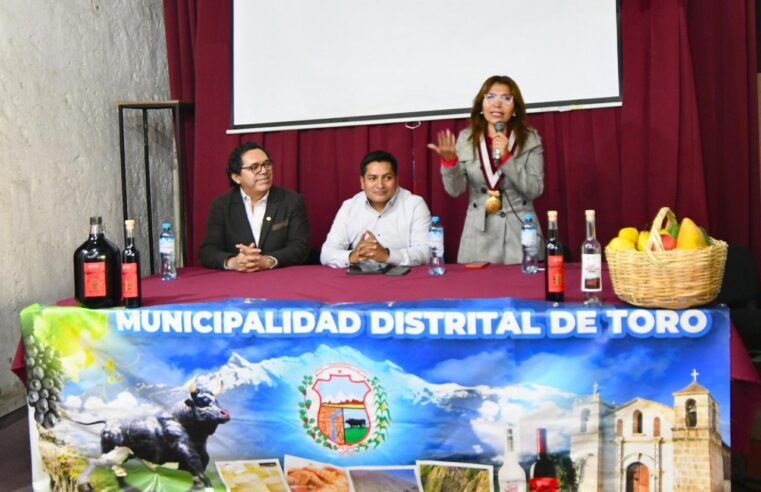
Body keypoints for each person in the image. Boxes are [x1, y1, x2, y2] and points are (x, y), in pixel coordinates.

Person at [427, 75, 545, 264]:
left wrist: (507, 158)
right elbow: (455, 190)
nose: (497, 104)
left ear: (515, 108)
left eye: (506, 98)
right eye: (490, 97)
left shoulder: (531, 139)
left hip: (520, 234)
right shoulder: (466, 139)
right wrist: (450, 163)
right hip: (478, 236)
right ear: (481, 105)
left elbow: (534, 189)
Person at [199, 141, 310, 271]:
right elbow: (208, 251)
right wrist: (233, 262)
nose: (264, 171)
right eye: (254, 167)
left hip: (279, 277)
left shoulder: (291, 201)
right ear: (236, 177)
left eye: (267, 164)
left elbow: (300, 247)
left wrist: (268, 261)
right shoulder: (221, 205)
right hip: (237, 279)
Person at [320, 150, 431, 269]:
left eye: (387, 178)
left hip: (403, 277)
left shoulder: (415, 205)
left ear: (396, 180)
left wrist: (387, 255)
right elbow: (326, 253)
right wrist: (353, 256)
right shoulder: (349, 207)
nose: (380, 185)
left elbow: (426, 252)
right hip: (360, 278)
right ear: (362, 182)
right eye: (372, 178)